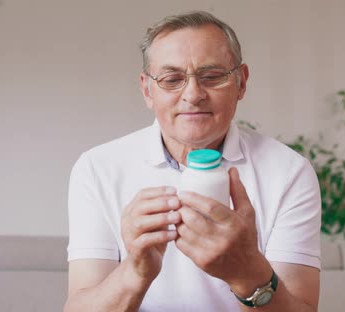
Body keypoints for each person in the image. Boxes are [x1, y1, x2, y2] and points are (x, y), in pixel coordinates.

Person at [64, 11, 321, 312]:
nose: (193, 94)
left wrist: (247, 272)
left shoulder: (289, 172)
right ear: (148, 90)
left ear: (241, 83)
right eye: (172, 79)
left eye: (212, 76)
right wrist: (135, 272)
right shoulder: (97, 169)